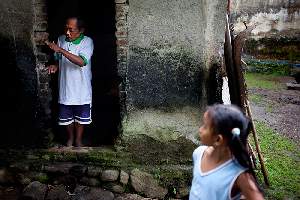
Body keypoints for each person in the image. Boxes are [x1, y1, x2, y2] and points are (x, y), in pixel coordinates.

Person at [189, 104, 264, 200]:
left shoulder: (239, 175)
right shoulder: (199, 154)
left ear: (218, 140)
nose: (200, 130)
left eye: (205, 126)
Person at [46, 17, 94, 147]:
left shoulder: (87, 42)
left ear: (81, 30)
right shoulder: (61, 40)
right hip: (65, 86)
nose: (67, 32)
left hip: (82, 88)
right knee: (67, 117)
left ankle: (78, 139)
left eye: (71, 30)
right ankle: (70, 138)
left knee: (80, 117)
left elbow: (81, 62)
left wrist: (60, 49)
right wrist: (54, 66)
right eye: (66, 28)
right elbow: (59, 60)